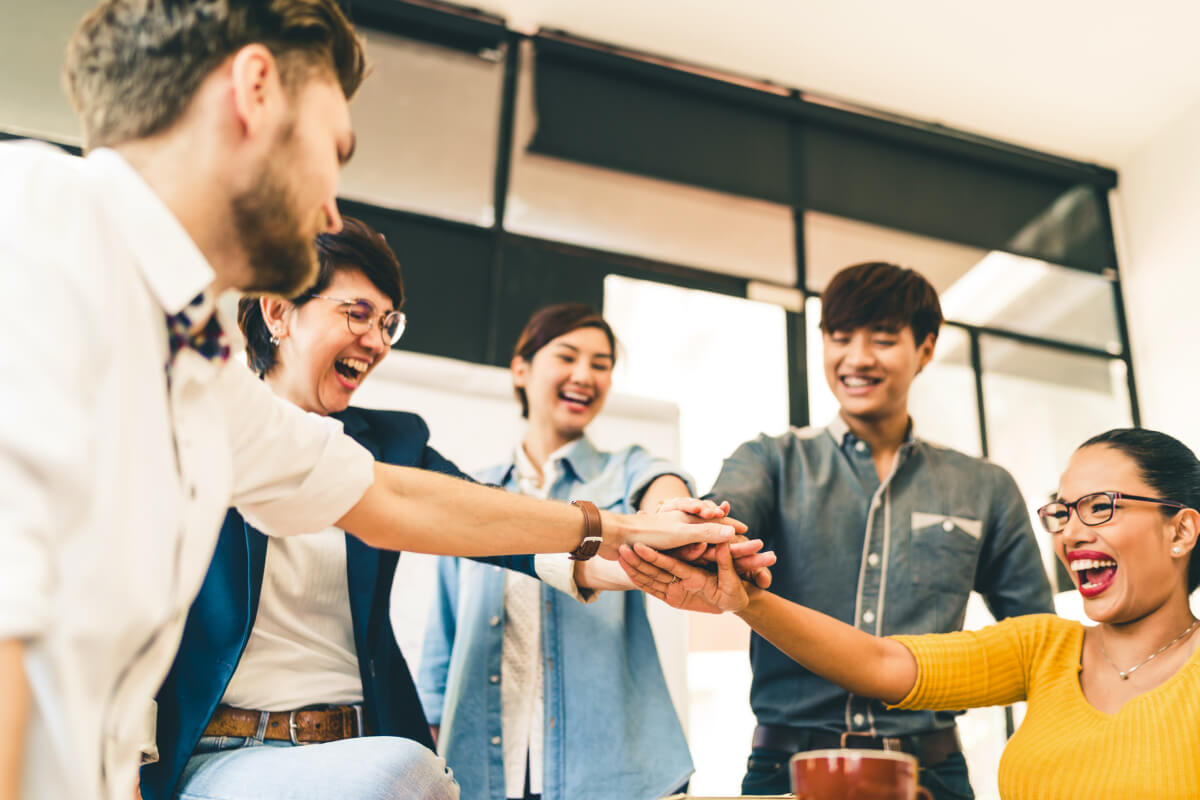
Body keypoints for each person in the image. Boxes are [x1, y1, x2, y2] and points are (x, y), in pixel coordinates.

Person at [0, 4, 738, 800]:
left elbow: (385, 493)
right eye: (333, 150)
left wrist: (620, 528)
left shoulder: (196, 366)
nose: (328, 209)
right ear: (255, 89)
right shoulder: (44, 220)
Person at [621, 427, 1200, 800]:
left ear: (1181, 529)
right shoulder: (1044, 647)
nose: (1071, 531)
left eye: (1099, 507)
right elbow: (878, 662)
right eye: (1062, 511)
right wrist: (745, 601)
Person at [698, 262, 1055, 799]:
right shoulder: (769, 459)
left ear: (926, 350)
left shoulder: (984, 486)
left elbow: (1038, 641)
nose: (858, 358)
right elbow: (722, 518)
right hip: (786, 768)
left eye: (884, 339)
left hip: (932, 772)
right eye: (840, 338)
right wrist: (703, 530)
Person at [419, 304, 709, 800]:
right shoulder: (477, 492)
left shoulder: (624, 471)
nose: (585, 375)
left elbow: (661, 488)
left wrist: (670, 515)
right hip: (480, 771)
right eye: (569, 356)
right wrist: (426, 747)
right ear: (521, 368)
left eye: (601, 364)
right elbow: (441, 638)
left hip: (618, 771)